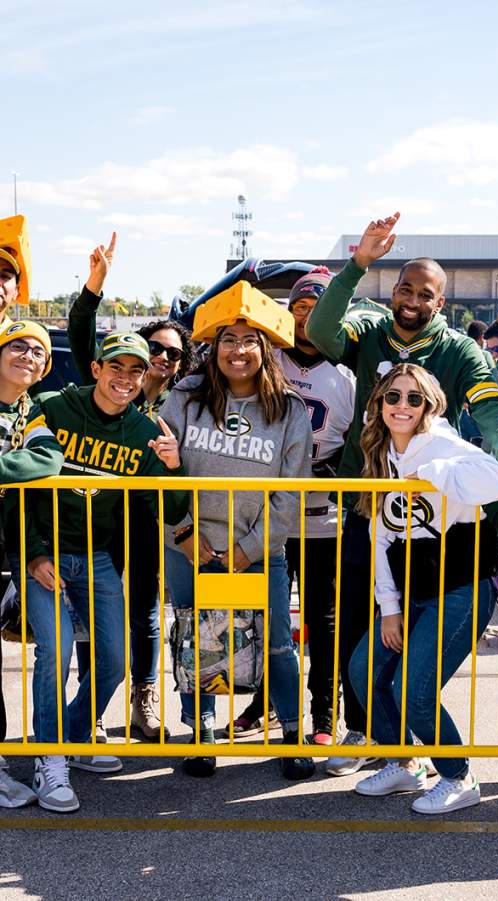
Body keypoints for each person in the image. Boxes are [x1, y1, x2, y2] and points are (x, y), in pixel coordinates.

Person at [306, 212, 498, 775]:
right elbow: (319, 333)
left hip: (436, 522)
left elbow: (488, 412)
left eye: (424, 293)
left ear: (441, 302)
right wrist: (357, 266)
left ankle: (436, 757)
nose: (411, 299)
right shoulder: (367, 326)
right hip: (372, 503)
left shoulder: (461, 350)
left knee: (420, 644)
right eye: (404, 287)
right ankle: (380, 742)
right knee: (362, 622)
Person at [7, 333, 189, 813]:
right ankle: (51, 761)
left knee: (114, 657)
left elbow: (171, 511)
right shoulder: (51, 407)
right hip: (41, 555)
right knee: (57, 645)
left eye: (135, 370)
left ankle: (64, 738)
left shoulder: (144, 430)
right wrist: (33, 552)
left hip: (97, 558)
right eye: (116, 368)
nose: (125, 379)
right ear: (95, 369)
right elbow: (20, 489)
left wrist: (173, 467)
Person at [160, 307, 316, 781]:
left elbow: (292, 490)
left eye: (250, 341)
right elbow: (159, 471)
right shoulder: (185, 399)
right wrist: (184, 535)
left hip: (257, 550)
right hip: (191, 546)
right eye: (228, 339)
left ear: (266, 350)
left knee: (274, 646)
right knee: (195, 642)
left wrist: (250, 548)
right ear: (214, 347)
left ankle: (292, 735)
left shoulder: (289, 410)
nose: (238, 350)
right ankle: (201, 735)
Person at [347, 363, 498, 813]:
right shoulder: (379, 451)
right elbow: (382, 539)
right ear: (378, 402)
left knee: (413, 690)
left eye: (413, 398)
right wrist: (389, 608)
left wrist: (434, 472)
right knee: (362, 671)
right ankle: (407, 762)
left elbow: (495, 480)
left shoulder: (442, 444)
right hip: (413, 593)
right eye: (392, 396)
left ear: (429, 405)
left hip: (459, 589)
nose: (402, 405)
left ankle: (460, 777)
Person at [68, 233, 196, 741]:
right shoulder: (107, 386)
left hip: (144, 525)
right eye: (157, 349)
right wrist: (94, 287)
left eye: (174, 354)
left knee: (143, 613)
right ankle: (91, 709)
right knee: (87, 617)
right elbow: (80, 335)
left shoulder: (181, 407)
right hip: (91, 520)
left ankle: (144, 702)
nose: (165, 358)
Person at [227, 267, 356, 745]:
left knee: (322, 617)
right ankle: (265, 703)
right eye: (300, 308)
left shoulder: (347, 372)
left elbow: (361, 438)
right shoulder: (267, 362)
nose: (307, 318)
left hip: (323, 513)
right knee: (265, 614)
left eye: (318, 309)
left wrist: (332, 468)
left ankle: (324, 711)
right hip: (266, 516)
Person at [0, 321, 63, 808]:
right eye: (17, 345)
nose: (28, 355)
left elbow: (45, 460)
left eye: (38, 351)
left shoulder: (32, 411)